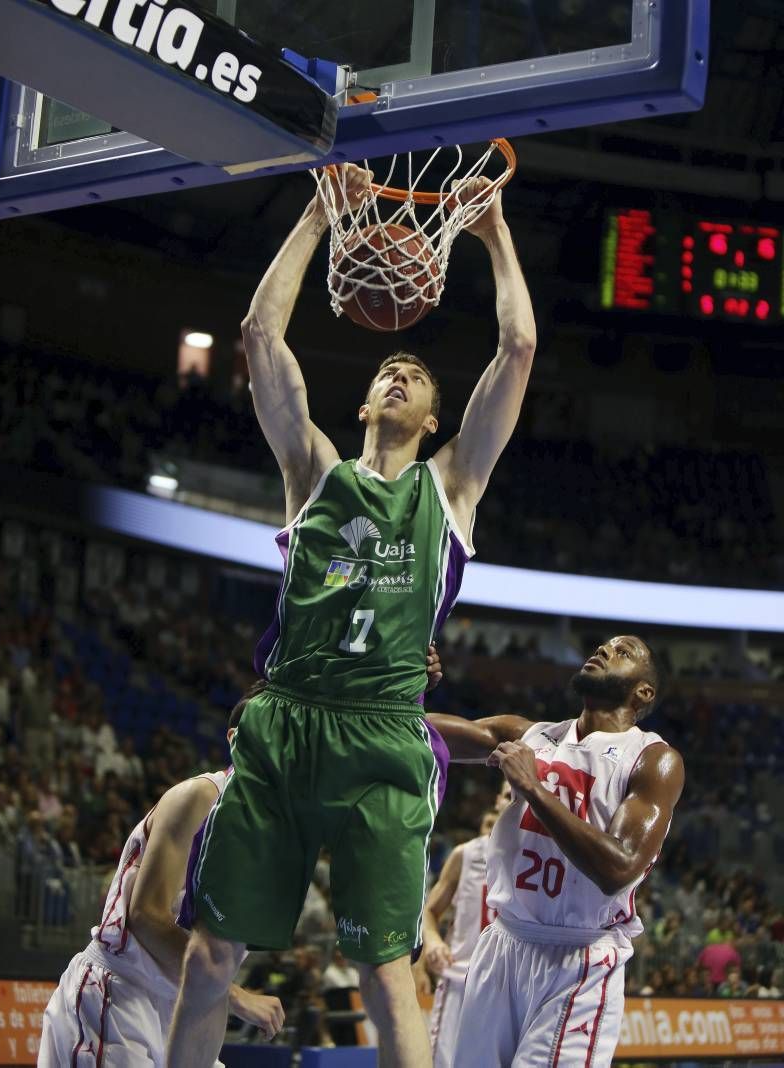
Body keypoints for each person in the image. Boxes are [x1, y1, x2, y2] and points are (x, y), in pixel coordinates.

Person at [168, 160, 537, 1068]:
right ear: (369, 403)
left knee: (383, 970)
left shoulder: (449, 489)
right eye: (388, 369)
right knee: (215, 953)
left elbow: (517, 350)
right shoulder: (313, 473)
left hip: (383, 740)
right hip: (285, 726)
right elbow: (258, 332)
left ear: (435, 414)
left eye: (416, 371)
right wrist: (316, 216)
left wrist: (493, 236)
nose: (401, 371)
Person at [429, 635, 684, 1068]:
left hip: (578, 958)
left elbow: (618, 867)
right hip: (503, 946)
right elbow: (415, 732)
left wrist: (531, 788)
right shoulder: (529, 736)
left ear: (644, 692)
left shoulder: (652, 759)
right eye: (603, 646)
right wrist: (406, 682)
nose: (604, 650)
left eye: (623, 652)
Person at [38, 701, 284, 1067]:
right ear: (236, 739)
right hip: (119, 997)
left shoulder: (270, 835)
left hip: (183, 1008)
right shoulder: (200, 798)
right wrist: (233, 995)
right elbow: (145, 915)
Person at [415, 790, 507, 1068]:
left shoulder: (541, 854)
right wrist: (431, 944)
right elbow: (429, 913)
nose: (507, 798)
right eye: (503, 793)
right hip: (461, 981)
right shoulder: (466, 854)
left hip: (512, 987)